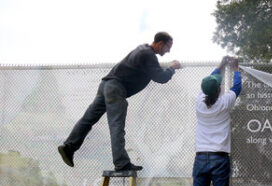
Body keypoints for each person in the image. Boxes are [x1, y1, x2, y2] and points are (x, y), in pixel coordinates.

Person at [57, 32, 182, 171]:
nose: (169, 50)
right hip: (116, 89)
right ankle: (121, 163)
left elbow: (153, 70)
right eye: (168, 46)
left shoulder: (142, 49)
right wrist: (172, 68)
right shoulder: (149, 55)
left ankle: (68, 146)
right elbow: (161, 77)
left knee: (88, 119)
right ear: (160, 43)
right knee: (116, 126)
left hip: (106, 85)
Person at [189, 56, 241, 186]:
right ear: (219, 90)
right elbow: (237, 87)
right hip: (220, 157)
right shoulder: (225, 102)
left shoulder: (199, 103)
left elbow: (210, 80)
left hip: (201, 157)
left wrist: (219, 65)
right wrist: (234, 67)